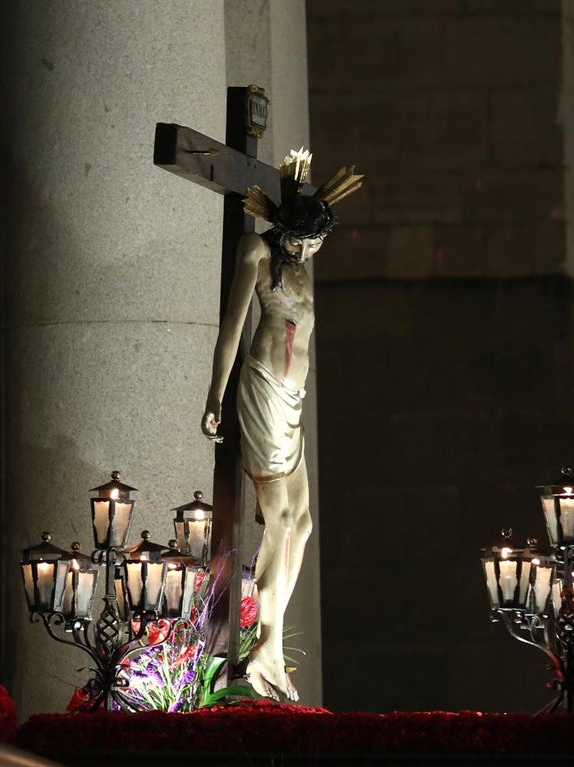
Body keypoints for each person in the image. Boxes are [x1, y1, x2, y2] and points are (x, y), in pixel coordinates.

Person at [201, 149, 362, 701]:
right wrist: (213, 396)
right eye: (308, 241)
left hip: (293, 398)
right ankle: (265, 645)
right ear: (289, 232)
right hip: (264, 390)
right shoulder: (257, 253)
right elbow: (232, 329)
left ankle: (268, 640)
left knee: (306, 523)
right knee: (283, 522)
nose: (312, 251)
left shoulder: (298, 269)